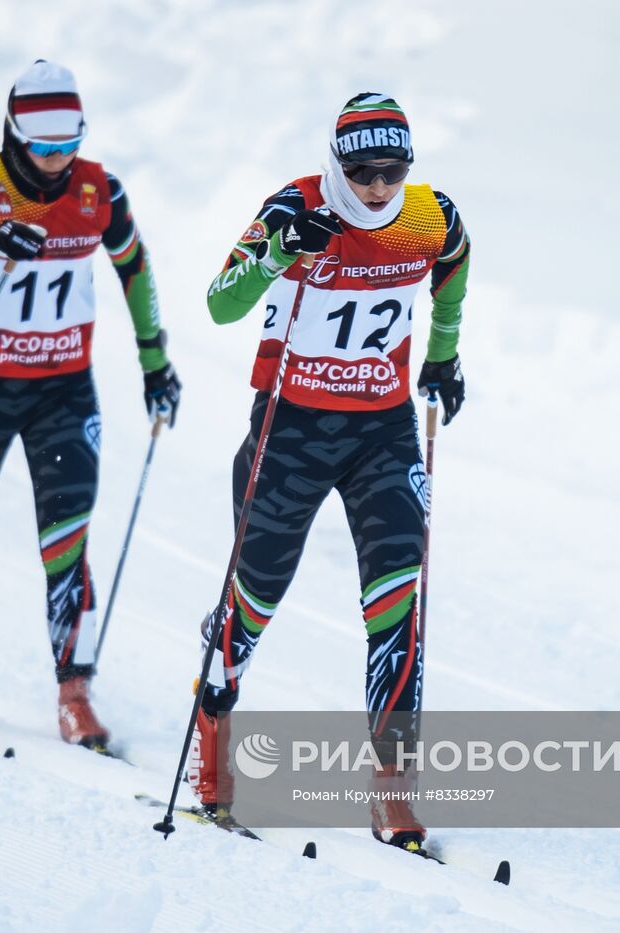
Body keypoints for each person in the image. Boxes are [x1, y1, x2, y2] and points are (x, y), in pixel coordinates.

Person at [191, 92, 469, 851]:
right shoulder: (293, 205)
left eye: (393, 169)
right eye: (361, 169)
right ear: (336, 162)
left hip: (383, 430)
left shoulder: (429, 216)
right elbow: (220, 304)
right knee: (256, 592)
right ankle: (212, 727)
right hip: (292, 427)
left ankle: (391, 787)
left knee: (397, 594)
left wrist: (443, 355)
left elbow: (453, 268)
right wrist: (281, 252)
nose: (378, 185)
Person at [0, 60, 181, 751]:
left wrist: (155, 362)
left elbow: (134, 266)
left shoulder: (98, 188)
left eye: (68, 146)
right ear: (14, 134)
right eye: (42, 148)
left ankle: (73, 691)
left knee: (67, 535)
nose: (56, 162)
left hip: (62, 387)